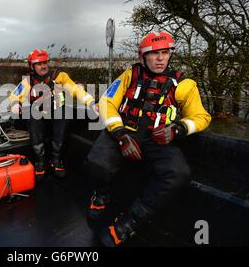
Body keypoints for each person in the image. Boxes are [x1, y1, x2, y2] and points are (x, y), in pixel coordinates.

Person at [86, 31, 211, 246]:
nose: (161, 58)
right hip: (123, 129)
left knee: (178, 173)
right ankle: (102, 194)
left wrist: (179, 129)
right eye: (154, 54)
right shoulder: (129, 75)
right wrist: (120, 135)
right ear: (142, 56)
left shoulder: (184, 84)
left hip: (158, 137)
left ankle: (130, 222)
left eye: (165, 53)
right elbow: (106, 103)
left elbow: (201, 117)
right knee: (97, 161)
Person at [9, 49, 97, 180]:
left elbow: (76, 91)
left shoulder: (59, 76)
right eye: (39, 64)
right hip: (39, 113)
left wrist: (91, 102)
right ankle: (40, 163)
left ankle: (56, 161)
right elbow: (14, 95)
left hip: (57, 112)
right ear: (32, 66)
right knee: (32, 118)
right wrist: (16, 103)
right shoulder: (28, 80)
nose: (44, 66)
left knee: (64, 114)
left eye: (45, 62)